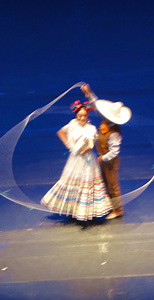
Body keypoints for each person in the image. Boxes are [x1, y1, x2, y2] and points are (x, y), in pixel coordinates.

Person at [41, 97, 112, 221]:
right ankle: (73, 209)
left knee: (86, 183)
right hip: (75, 159)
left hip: (86, 160)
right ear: (76, 115)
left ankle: (85, 211)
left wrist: (83, 150)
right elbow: (61, 132)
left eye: (84, 116)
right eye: (80, 116)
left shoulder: (90, 128)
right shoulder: (73, 124)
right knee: (73, 182)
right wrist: (69, 145)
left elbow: (91, 145)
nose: (82, 118)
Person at [81, 83, 131, 219]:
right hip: (103, 159)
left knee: (112, 185)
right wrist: (88, 92)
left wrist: (102, 158)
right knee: (104, 182)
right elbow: (96, 105)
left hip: (110, 161)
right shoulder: (106, 122)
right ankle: (110, 206)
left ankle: (118, 210)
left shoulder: (114, 132)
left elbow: (114, 152)